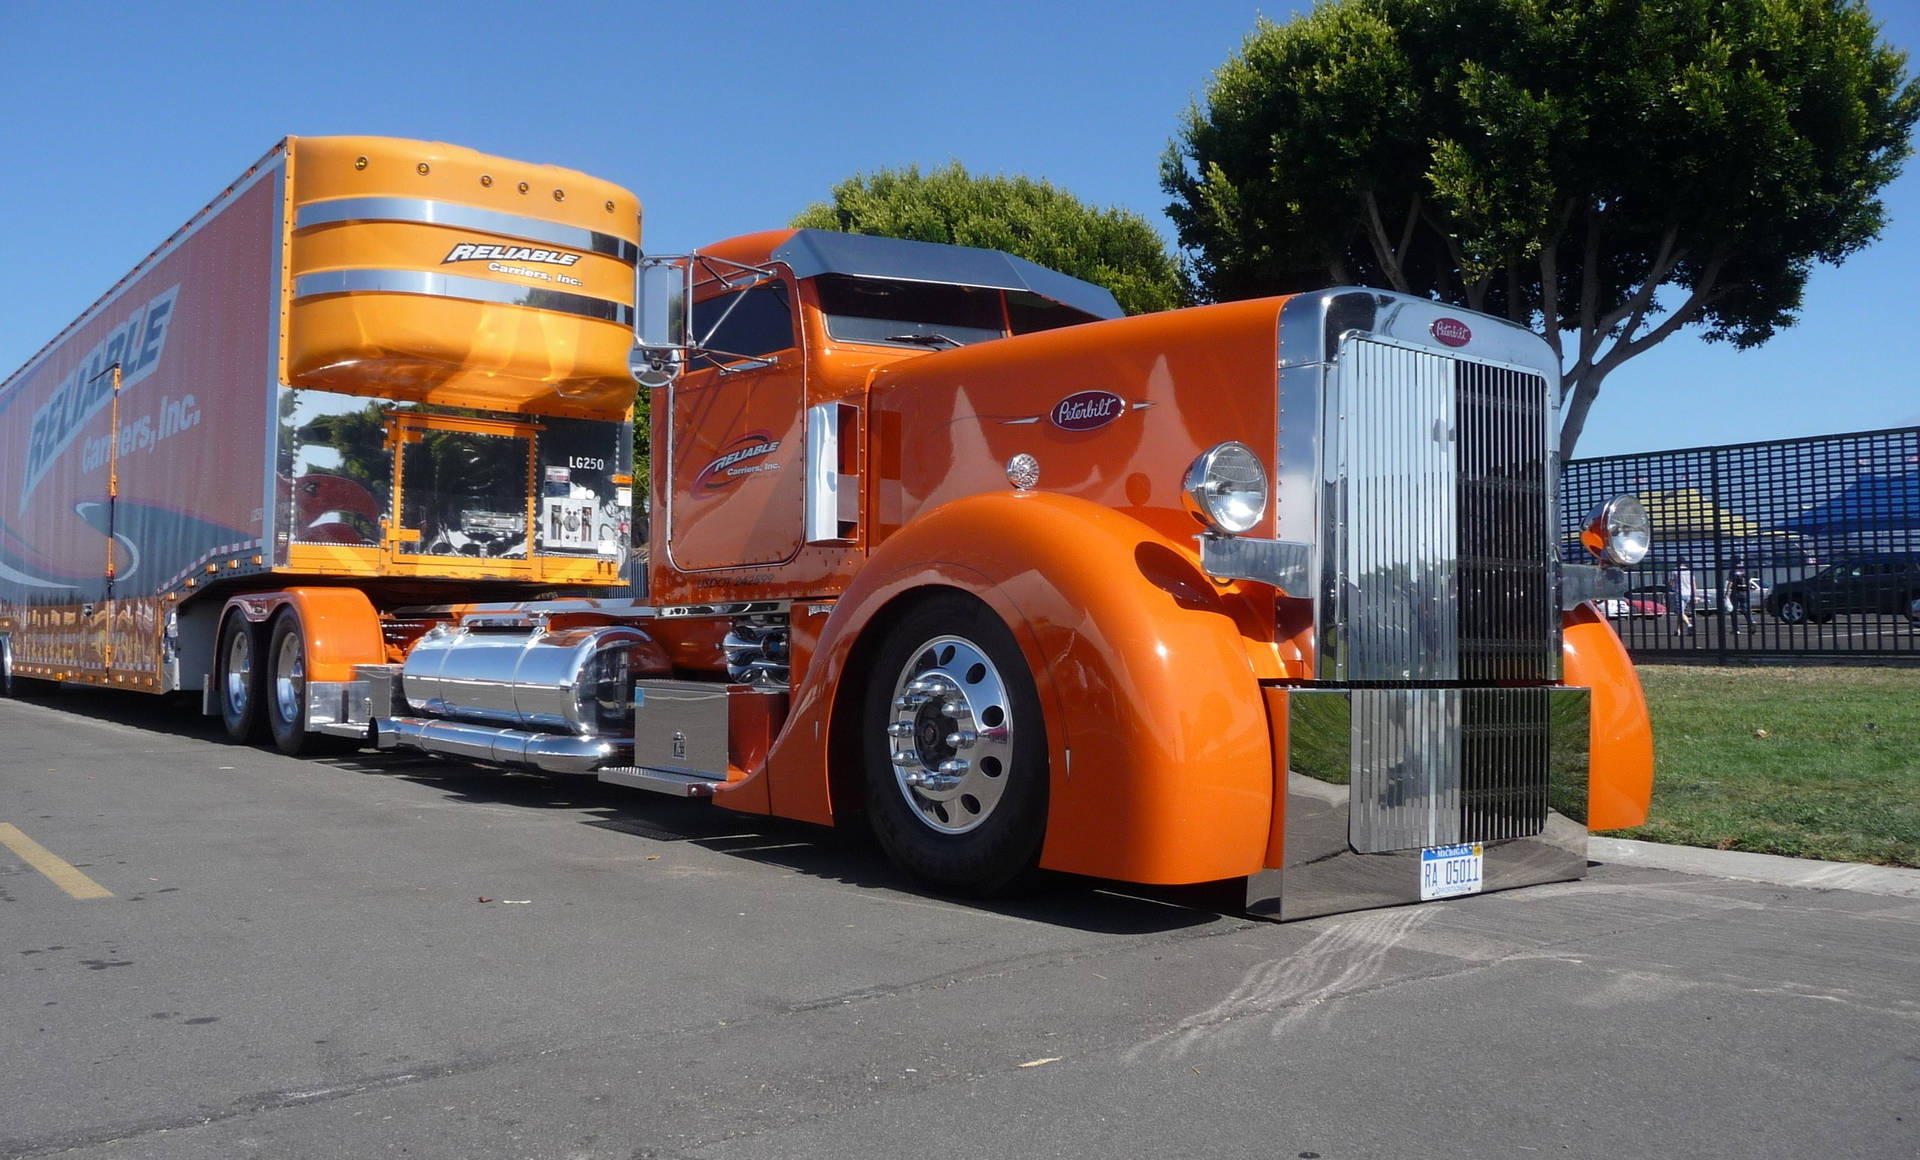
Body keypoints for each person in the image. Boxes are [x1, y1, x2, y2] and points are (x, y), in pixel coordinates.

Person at [1726, 558, 1756, 635]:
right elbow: (1749, 582)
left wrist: (1727, 593)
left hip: (1735, 591)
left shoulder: (1733, 570)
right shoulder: (1745, 570)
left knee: (1734, 611)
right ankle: (1751, 622)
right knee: (1746, 609)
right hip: (1744, 591)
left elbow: (1730, 582)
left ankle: (1736, 629)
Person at [1671, 566, 1697, 634]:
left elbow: (1672, 582)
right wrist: (1695, 595)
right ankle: (1678, 630)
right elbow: (1693, 584)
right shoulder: (1689, 571)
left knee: (1679, 612)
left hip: (1679, 593)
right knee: (1681, 613)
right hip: (1688, 593)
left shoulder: (1675, 571)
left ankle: (1689, 625)